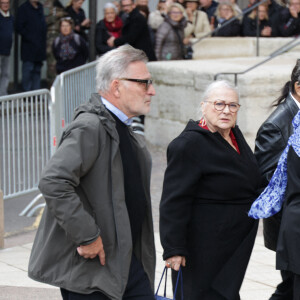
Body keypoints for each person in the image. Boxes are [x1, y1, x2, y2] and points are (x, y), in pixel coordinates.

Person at [28, 45, 156, 300]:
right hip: (93, 272)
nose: (151, 90)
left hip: (127, 266)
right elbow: (53, 182)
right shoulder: (90, 126)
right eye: (144, 83)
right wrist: (87, 237)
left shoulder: (123, 130)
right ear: (117, 86)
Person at [160, 80, 261, 300]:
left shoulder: (234, 135)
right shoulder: (188, 144)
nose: (226, 110)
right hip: (202, 248)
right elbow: (174, 200)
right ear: (203, 106)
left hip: (231, 247)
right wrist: (173, 248)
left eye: (233, 105)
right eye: (219, 104)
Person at [254, 60, 300, 300]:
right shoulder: (276, 125)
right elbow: (271, 183)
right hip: (291, 230)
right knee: (289, 291)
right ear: (299, 88)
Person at [16, 0, 47, 92]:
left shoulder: (41, 8)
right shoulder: (23, 9)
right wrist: (30, 37)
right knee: (28, 70)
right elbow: (18, 27)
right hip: (28, 47)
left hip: (40, 47)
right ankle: (27, 94)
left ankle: (36, 93)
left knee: (37, 71)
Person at [44, 0, 67, 86]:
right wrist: (56, 16)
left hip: (61, 37)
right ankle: (51, 86)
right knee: (51, 63)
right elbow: (44, 20)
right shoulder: (47, 5)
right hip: (50, 37)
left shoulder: (59, 4)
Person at [0, 0, 13, 96]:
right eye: (3, 3)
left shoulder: (11, 17)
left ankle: (3, 95)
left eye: (7, 3)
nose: (5, 5)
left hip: (7, 50)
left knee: (5, 74)